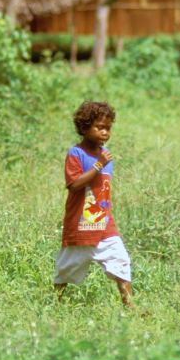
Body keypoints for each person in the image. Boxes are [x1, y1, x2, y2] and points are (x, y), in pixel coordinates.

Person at [54, 100, 133, 306]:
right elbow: (74, 185)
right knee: (66, 269)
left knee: (120, 260)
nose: (105, 132)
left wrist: (102, 162)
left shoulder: (106, 156)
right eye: (99, 127)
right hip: (81, 224)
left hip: (105, 223)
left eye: (108, 128)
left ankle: (130, 305)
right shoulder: (76, 154)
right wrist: (98, 165)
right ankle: (55, 302)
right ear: (84, 127)